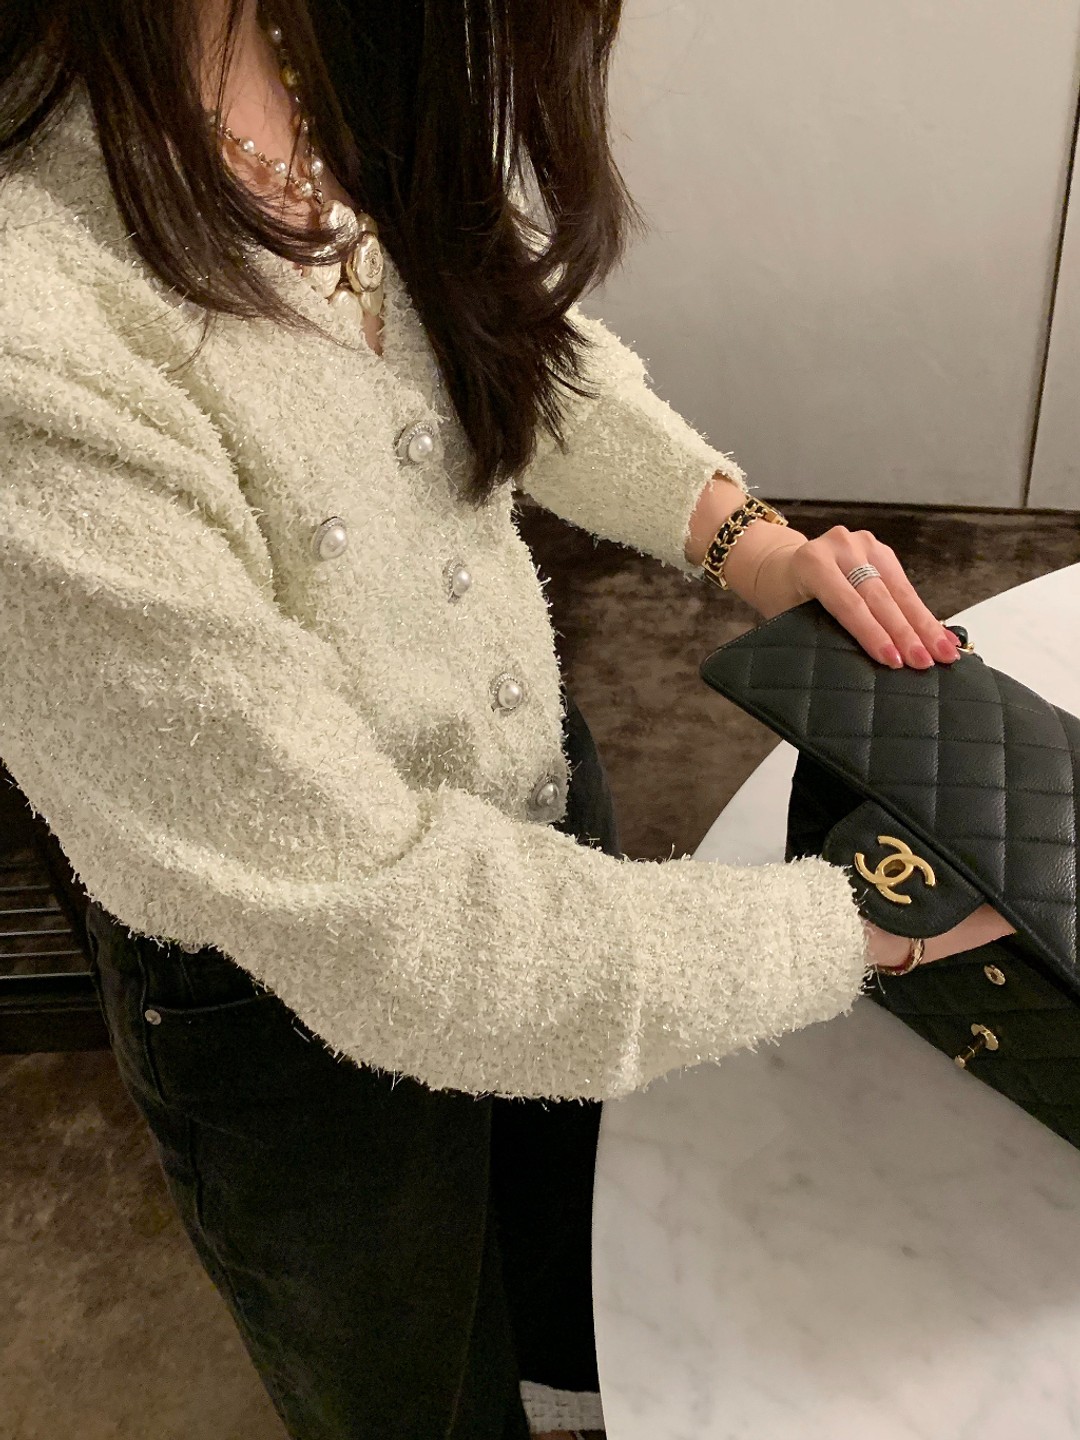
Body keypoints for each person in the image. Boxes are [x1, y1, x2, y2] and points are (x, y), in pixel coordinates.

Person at [0, 2, 1014, 1437]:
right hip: (288, 998)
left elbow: (494, 335)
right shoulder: (33, 338)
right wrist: (866, 921)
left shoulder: (323, 41)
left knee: (579, 1243)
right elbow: (389, 931)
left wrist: (751, 541)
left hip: (534, 798)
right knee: (412, 1380)